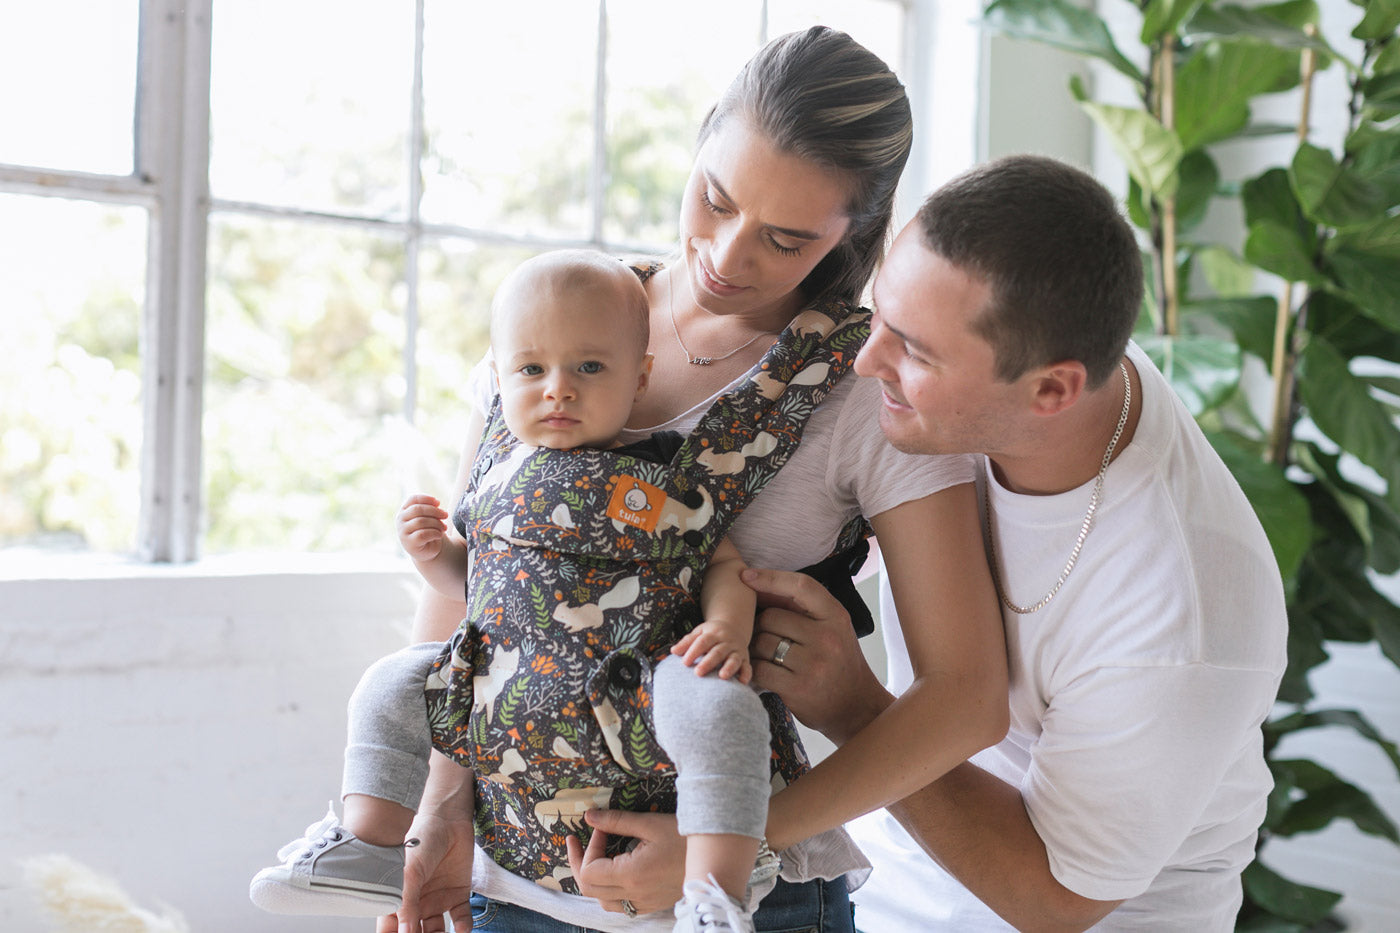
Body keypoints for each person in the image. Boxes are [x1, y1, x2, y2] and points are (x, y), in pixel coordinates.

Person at [382, 26, 1009, 933]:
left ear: (854, 232)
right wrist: (436, 809)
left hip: (752, 904)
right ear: (701, 140)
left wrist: (736, 840)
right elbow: (482, 598)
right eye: (714, 199)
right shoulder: (561, 318)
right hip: (514, 884)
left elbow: (967, 696)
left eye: (787, 239)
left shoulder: (863, 393)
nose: (726, 255)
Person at [744, 155, 1289, 931]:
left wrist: (857, 709)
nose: (868, 363)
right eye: (882, 317)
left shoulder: (1180, 616)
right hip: (884, 888)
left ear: (1053, 391)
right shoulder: (1021, 369)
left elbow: (1055, 898)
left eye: (916, 352)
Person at [249, 249, 814, 932]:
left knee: (726, 711)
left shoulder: (659, 484)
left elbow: (722, 564)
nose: (558, 389)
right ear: (498, 378)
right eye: (531, 369)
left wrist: (725, 626)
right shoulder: (493, 477)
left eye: (589, 368)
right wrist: (434, 555)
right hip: (496, 679)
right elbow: (476, 584)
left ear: (640, 378)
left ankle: (715, 892)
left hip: (636, 681)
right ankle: (369, 844)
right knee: (388, 683)